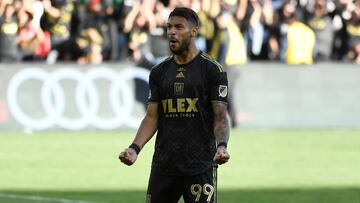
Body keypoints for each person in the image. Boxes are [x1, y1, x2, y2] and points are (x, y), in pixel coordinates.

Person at [119, 7, 231, 203]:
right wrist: (134, 148)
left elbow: (220, 116)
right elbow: (152, 117)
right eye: (169, 27)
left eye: (179, 27)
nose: (171, 31)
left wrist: (221, 146)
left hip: (200, 165)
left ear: (194, 32)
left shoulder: (212, 70)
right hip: (164, 165)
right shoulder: (159, 72)